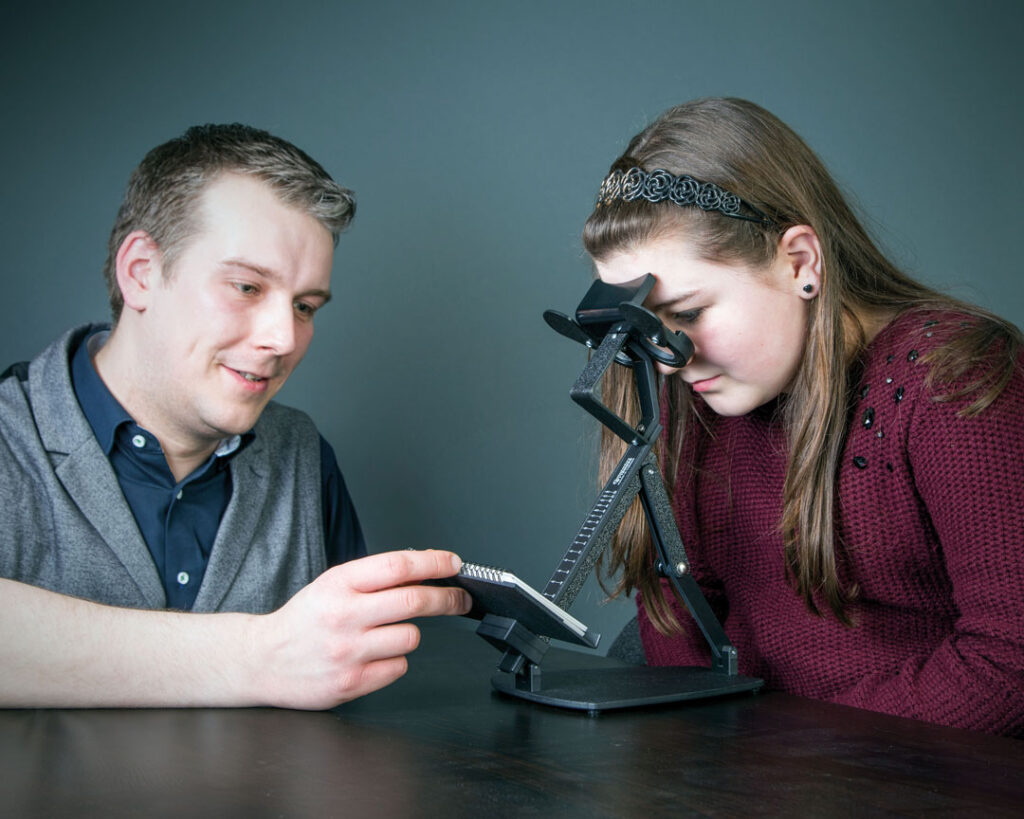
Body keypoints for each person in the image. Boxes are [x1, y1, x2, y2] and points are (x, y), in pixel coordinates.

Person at [583, 98, 1024, 735]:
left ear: (800, 262)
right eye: (648, 329)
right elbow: (679, 606)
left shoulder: (954, 385)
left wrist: (791, 764)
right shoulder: (695, 392)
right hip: (750, 764)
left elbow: (1009, 664)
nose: (670, 359)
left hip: (914, 771)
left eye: (690, 312)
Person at [0, 123, 470, 708]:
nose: (283, 338)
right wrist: (261, 654)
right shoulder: (9, 439)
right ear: (141, 272)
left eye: (304, 306)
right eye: (247, 287)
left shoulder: (304, 457)